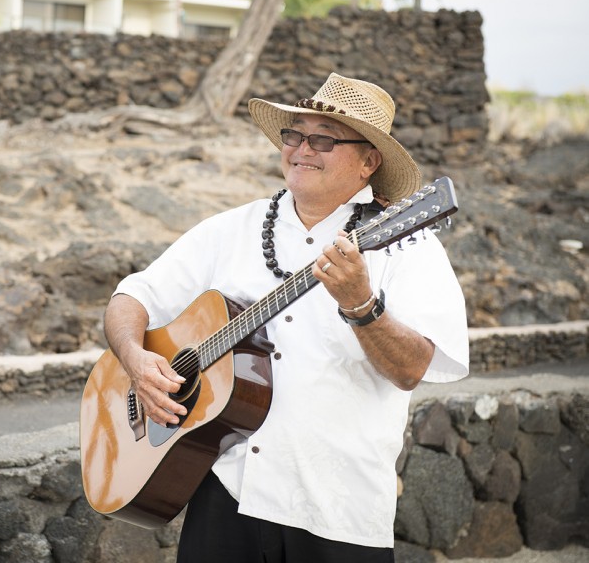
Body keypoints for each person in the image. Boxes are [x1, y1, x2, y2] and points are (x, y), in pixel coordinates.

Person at [103, 73, 469, 562]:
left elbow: (411, 371)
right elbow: (131, 297)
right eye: (294, 134)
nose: (301, 149)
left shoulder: (408, 242)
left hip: (336, 508)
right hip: (227, 492)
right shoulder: (234, 228)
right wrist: (134, 359)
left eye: (323, 139)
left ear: (368, 162)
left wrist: (362, 305)